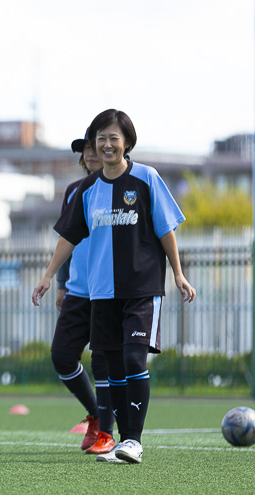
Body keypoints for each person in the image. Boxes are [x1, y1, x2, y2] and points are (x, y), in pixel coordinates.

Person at [32, 110, 196, 464]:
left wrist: (179, 274)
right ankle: (120, 440)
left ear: (127, 143)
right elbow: (69, 237)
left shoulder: (146, 179)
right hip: (101, 293)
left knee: (134, 358)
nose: (106, 145)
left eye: (113, 138)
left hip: (141, 289)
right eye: (101, 138)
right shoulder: (87, 190)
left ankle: (133, 440)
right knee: (113, 366)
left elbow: (166, 229)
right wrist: (48, 277)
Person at [47, 133, 115, 455]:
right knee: (62, 355)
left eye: (94, 147)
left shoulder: (121, 189)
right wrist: (61, 283)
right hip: (77, 290)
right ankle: (96, 413)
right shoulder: (74, 191)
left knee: (104, 360)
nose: (89, 154)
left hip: (109, 291)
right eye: (85, 149)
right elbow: (67, 237)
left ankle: (107, 431)